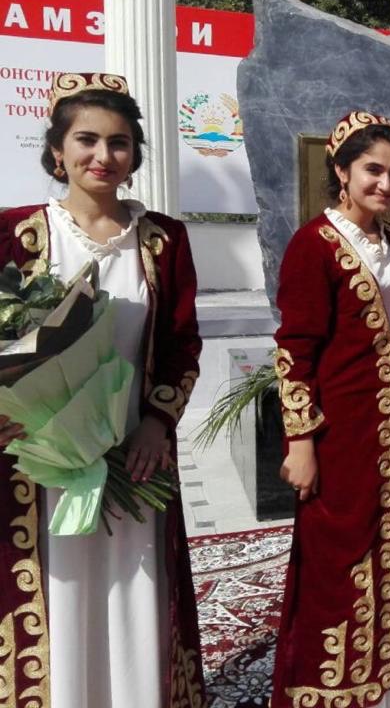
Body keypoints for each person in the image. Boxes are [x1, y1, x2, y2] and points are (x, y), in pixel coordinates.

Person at [0, 72, 206, 707]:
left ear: (134, 153)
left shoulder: (163, 239)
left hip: (133, 453)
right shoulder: (14, 233)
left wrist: (157, 424)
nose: (103, 155)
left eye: (119, 142)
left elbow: (181, 344)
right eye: (86, 140)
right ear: (56, 150)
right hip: (35, 457)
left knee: (133, 584)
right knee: (54, 587)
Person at [270, 110, 390, 707]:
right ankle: (330, 687)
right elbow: (295, 349)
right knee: (338, 554)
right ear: (341, 171)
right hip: (338, 431)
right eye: (372, 170)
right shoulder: (314, 244)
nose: (386, 183)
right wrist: (301, 442)